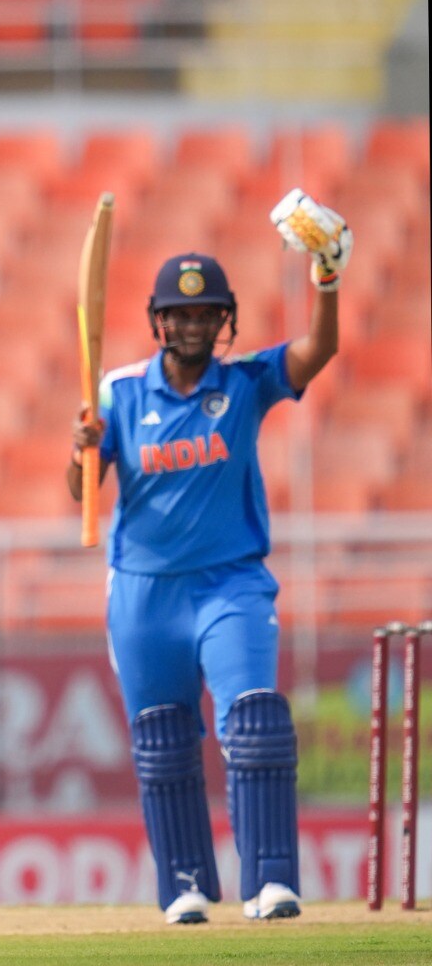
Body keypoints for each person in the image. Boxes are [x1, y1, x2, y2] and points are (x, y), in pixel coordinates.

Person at [67, 188, 348, 925]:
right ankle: (186, 884)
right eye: (181, 314)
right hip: (143, 596)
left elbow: (318, 352)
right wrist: (82, 449)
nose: (193, 326)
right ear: (160, 321)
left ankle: (270, 881)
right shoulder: (120, 393)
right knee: (163, 743)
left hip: (231, 586)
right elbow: (81, 488)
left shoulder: (245, 381)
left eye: (206, 314)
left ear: (224, 320)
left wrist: (326, 277)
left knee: (255, 723)